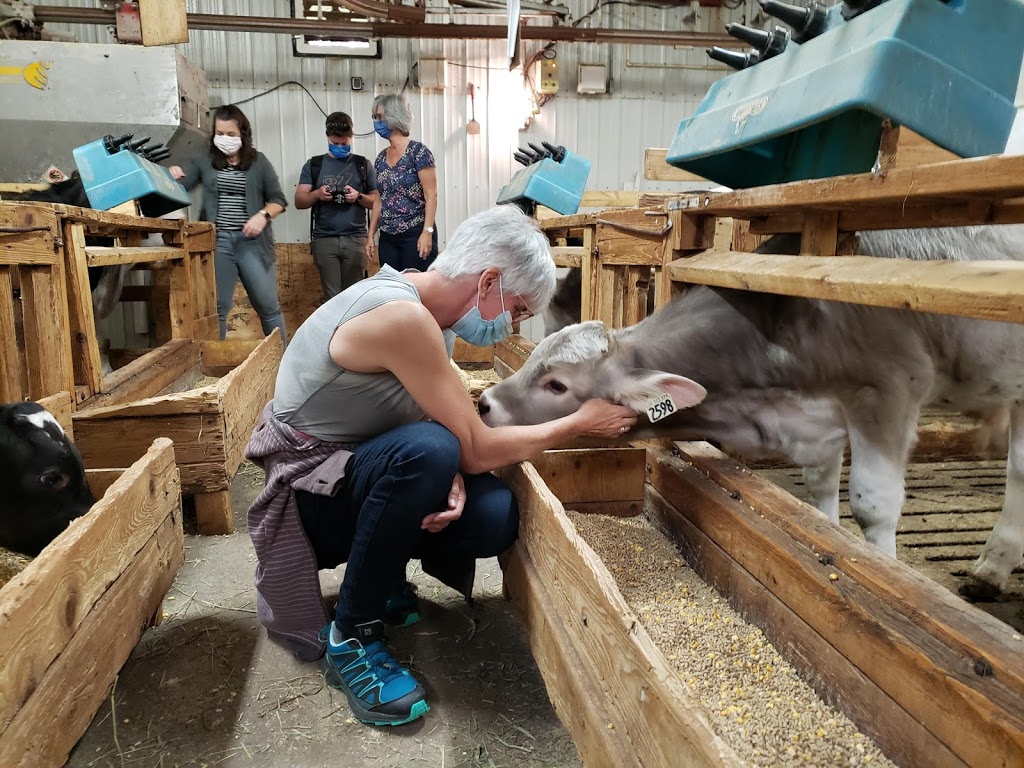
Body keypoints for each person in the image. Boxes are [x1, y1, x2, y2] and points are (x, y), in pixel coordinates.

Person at [245, 205, 637, 727]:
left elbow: (435, 415)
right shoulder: (401, 316)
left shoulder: (432, 316)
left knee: (493, 510)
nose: (509, 324)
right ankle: (353, 635)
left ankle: (381, 580)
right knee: (430, 452)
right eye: (517, 310)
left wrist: (451, 474)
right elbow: (468, 446)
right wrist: (579, 422)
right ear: (489, 281)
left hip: (347, 476)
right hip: (305, 500)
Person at [170, 105, 288, 342]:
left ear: (242, 134)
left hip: (253, 244)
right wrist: (171, 174)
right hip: (218, 243)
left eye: (231, 135)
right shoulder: (205, 161)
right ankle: (218, 367)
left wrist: (262, 216)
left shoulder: (259, 162)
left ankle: (283, 360)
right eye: (220, 133)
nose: (225, 139)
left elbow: (278, 200)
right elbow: (183, 183)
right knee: (218, 310)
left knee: (268, 306)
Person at [294, 111, 380, 303]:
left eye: (344, 143)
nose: (340, 147)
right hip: (324, 240)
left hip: (356, 239)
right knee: (332, 299)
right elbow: (299, 201)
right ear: (327, 137)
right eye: (336, 143)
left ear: (352, 136)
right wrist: (317, 194)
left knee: (355, 297)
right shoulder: (314, 165)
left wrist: (357, 197)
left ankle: (353, 333)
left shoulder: (363, 165)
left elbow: (376, 202)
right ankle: (334, 333)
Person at [367, 93, 439, 272]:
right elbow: (379, 199)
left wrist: (427, 232)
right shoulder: (381, 158)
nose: (376, 122)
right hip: (388, 237)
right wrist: (370, 235)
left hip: (414, 233)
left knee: (416, 287)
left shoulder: (419, 153)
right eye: (375, 117)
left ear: (394, 116)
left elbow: (431, 195)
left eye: (379, 117)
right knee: (391, 289)